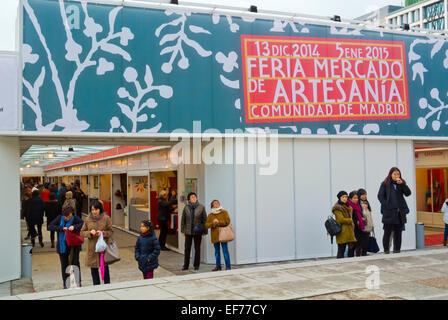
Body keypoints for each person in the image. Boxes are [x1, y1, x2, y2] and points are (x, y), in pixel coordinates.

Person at [47, 205, 84, 289]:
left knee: (75, 264)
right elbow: (50, 226)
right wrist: (61, 228)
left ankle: (77, 282)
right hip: (62, 246)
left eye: (69, 216)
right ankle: (66, 283)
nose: (67, 218)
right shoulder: (59, 218)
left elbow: (83, 224)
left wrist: (74, 227)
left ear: (72, 214)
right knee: (64, 265)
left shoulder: (75, 218)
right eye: (65, 216)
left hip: (73, 246)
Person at [377, 167, 411, 254]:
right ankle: (386, 250)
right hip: (389, 213)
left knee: (398, 233)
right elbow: (380, 196)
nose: (397, 176)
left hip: (399, 213)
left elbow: (408, 193)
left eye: (398, 174)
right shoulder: (385, 184)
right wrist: (387, 205)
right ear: (390, 174)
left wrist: (402, 184)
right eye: (395, 174)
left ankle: (397, 250)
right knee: (387, 232)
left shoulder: (401, 183)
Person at [80, 200, 114, 285]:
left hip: (103, 247)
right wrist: (90, 233)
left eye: (96, 209)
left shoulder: (106, 218)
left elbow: (111, 231)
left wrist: (102, 233)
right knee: (94, 269)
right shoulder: (88, 219)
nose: (94, 212)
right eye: (92, 210)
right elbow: (82, 232)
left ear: (100, 209)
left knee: (105, 268)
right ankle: (96, 286)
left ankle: (107, 285)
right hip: (92, 248)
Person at [181, 192, 207, 271]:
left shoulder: (201, 207)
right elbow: (183, 220)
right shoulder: (186, 207)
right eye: (192, 197)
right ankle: (186, 265)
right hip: (188, 231)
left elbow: (205, 220)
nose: (194, 198)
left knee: (197, 248)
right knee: (187, 249)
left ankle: (196, 265)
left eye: (195, 196)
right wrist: (182, 230)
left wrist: (205, 231)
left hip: (198, 231)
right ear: (189, 199)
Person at [205, 200, 231, 271]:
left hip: (223, 235)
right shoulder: (210, 215)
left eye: (218, 203)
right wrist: (213, 223)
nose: (216, 204)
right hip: (215, 236)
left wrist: (219, 222)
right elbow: (206, 225)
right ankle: (218, 266)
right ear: (212, 206)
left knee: (225, 250)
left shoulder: (224, 212)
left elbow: (228, 222)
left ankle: (228, 266)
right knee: (217, 251)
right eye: (215, 204)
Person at [332, 191, 357, 259]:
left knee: (351, 250)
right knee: (341, 250)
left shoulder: (348, 207)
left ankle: (351, 264)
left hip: (350, 232)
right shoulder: (337, 208)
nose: (345, 198)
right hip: (342, 232)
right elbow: (340, 220)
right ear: (339, 198)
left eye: (346, 197)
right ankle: (339, 265)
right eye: (343, 197)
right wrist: (351, 220)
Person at [348, 191, 369, 257]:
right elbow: (350, 217)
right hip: (352, 227)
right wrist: (356, 221)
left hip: (359, 227)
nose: (356, 199)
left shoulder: (358, 205)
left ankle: (359, 256)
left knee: (360, 243)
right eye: (354, 198)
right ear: (350, 199)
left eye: (357, 198)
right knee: (353, 245)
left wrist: (362, 219)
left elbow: (359, 214)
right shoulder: (349, 206)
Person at [358, 189, 374, 255]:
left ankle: (364, 255)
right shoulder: (358, 204)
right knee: (360, 243)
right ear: (359, 195)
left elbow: (370, 215)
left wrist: (372, 225)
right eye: (363, 194)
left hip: (368, 226)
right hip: (362, 227)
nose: (365, 196)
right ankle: (359, 256)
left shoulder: (367, 203)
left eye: (365, 194)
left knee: (366, 243)